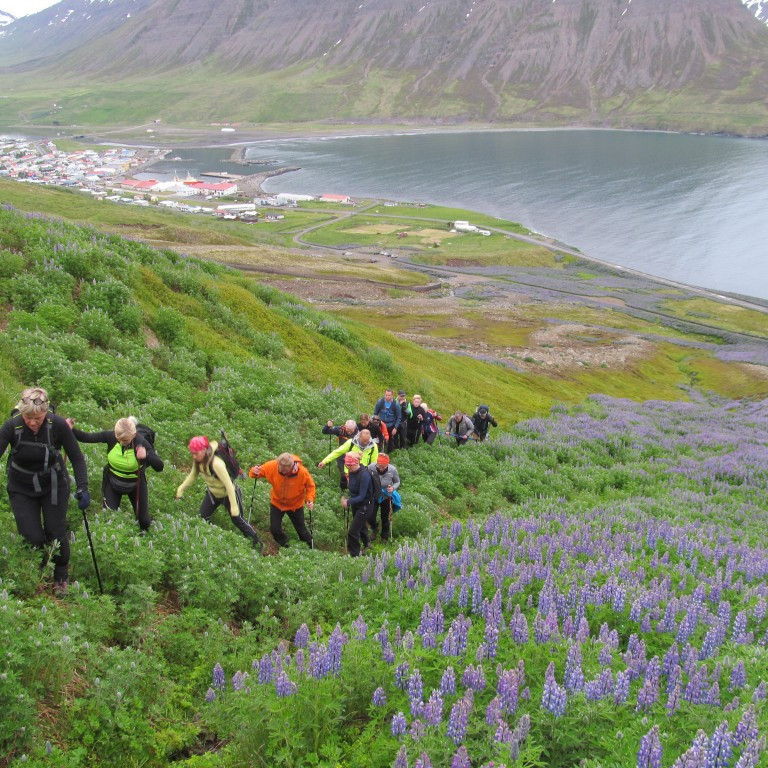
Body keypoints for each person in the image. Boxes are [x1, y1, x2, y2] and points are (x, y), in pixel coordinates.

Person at [0, 387, 90, 595]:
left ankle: (61, 576)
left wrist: (83, 487)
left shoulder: (57, 425)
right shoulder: (12, 426)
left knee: (55, 532)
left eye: (38, 418)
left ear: (46, 413)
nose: (33, 423)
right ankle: (39, 569)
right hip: (21, 487)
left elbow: (77, 457)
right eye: (28, 418)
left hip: (53, 485)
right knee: (31, 536)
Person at [68, 416, 163, 532]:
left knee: (144, 522)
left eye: (126, 441)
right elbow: (86, 437)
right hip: (112, 482)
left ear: (134, 435)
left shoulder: (141, 442)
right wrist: (70, 429)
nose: (123, 443)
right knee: (108, 519)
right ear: (116, 435)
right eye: (120, 440)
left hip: (136, 484)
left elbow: (159, 466)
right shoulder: (111, 436)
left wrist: (146, 455)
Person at [175, 436, 260, 548]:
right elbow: (192, 476)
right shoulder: (198, 462)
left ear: (204, 450)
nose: (194, 456)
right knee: (202, 517)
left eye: (196, 453)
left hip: (229, 494)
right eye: (192, 454)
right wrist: (180, 489)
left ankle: (256, 542)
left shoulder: (216, 464)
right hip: (213, 493)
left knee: (237, 519)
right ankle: (209, 540)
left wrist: (234, 507)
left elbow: (229, 485)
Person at [248, 453, 315, 549]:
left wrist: (309, 499)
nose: (282, 471)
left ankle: (311, 548)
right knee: (274, 529)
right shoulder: (272, 466)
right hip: (277, 503)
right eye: (280, 468)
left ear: (291, 467)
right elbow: (256, 473)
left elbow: (310, 486)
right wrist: (254, 471)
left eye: (284, 471)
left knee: (302, 531)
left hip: (295, 505)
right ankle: (286, 546)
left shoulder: (302, 472)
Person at [341, 453, 373, 557]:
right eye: (347, 466)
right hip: (356, 504)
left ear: (356, 463)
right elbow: (352, 488)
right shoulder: (352, 472)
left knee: (353, 531)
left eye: (350, 466)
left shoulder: (365, 475)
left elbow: (362, 496)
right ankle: (367, 544)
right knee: (361, 525)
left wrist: (348, 502)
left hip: (365, 505)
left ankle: (354, 555)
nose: (348, 468)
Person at [368, 453, 401, 542]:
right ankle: (375, 528)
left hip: (386, 495)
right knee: (370, 516)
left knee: (385, 517)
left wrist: (392, 488)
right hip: (374, 495)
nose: (381, 468)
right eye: (379, 466)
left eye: (383, 466)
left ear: (387, 464)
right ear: (377, 463)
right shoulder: (371, 467)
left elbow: (397, 482)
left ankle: (384, 536)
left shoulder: (392, 469)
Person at [322, 418, 358, 489]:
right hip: (341, 454)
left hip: (354, 455)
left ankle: (352, 490)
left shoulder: (359, 433)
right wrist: (327, 426)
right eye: (348, 430)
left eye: (351, 431)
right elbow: (325, 431)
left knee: (353, 474)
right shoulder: (340, 430)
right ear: (345, 426)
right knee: (343, 475)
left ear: (355, 428)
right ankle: (343, 490)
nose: (349, 432)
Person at [373, 388, 401, 452]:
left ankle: (389, 453)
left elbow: (399, 417)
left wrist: (395, 428)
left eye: (389, 395)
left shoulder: (396, 404)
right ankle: (378, 452)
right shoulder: (380, 402)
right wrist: (375, 423)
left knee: (390, 440)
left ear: (392, 396)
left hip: (391, 425)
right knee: (379, 438)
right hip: (381, 424)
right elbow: (375, 413)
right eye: (386, 395)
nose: (387, 396)